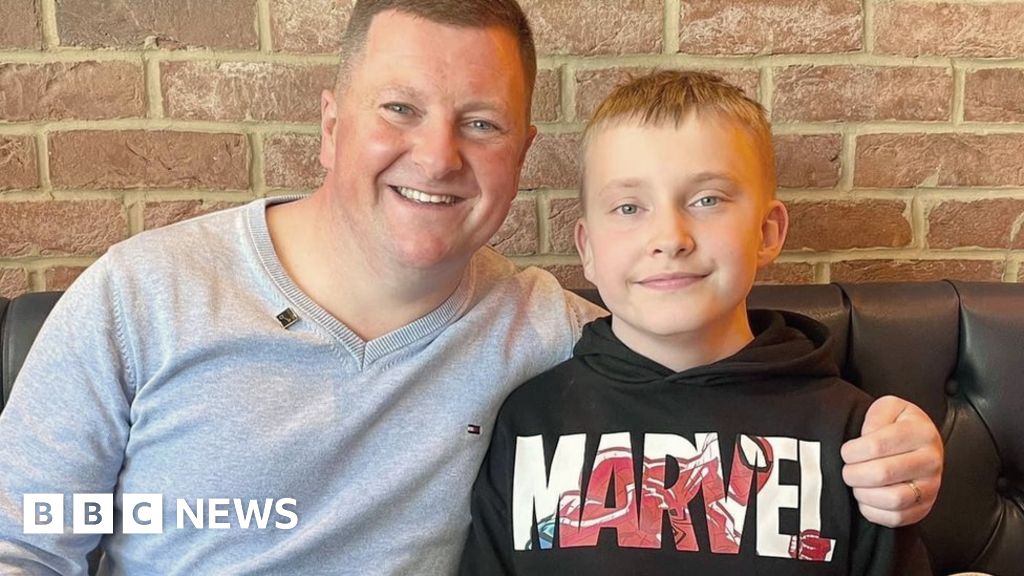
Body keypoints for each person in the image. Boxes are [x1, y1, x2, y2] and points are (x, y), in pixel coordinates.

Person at [0, 1, 940, 574]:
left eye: (481, 123)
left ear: (522, 155)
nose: (438, 155)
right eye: (399, 108)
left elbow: (699, 360)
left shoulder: (550, 336)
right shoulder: (143, 295)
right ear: (331, 125)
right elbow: (24, 542)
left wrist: (894, 441)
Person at [458, 71, 928, 575]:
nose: (670, 237)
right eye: (629, 207)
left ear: (767, 232)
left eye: (707, 200)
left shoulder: (856, 436)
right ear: (588, 249)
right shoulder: (531, 421)